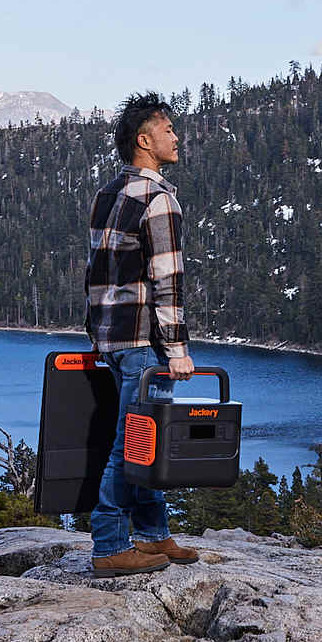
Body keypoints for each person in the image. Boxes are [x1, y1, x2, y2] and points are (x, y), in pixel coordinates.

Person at [82, 92, 202, 575]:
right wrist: (177, 349)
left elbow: (95, 273)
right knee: (133, 442)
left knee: (142, 436)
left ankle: (152, 533)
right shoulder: (159, 200)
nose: (177, 136)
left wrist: (96, 336)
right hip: (143, 344)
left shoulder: (106, 194)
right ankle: (110, 545)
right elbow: (167, 281)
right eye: (168, 129)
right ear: (144, 141)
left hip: (112, 339)